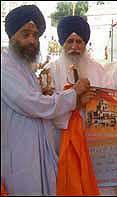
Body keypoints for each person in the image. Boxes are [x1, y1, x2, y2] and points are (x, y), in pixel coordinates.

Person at [1, 5, 90, 195]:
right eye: (25, 34)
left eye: (35, 35)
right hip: (19, 153)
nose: (32, 40)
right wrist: (73, 94)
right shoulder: (4, 66)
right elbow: (32, 104)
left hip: (38, 150)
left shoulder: (25, 66)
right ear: (12, 37)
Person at [47, 15, 104, 195]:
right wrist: (76, 102)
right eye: (70, 41)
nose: (74, 47)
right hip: (60, 137)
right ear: (62, 43)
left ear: (85, 44)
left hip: (92, 139)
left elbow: (107, 101)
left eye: (79, 41)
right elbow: (47, 106)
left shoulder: (98, 69)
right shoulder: (50, 70)